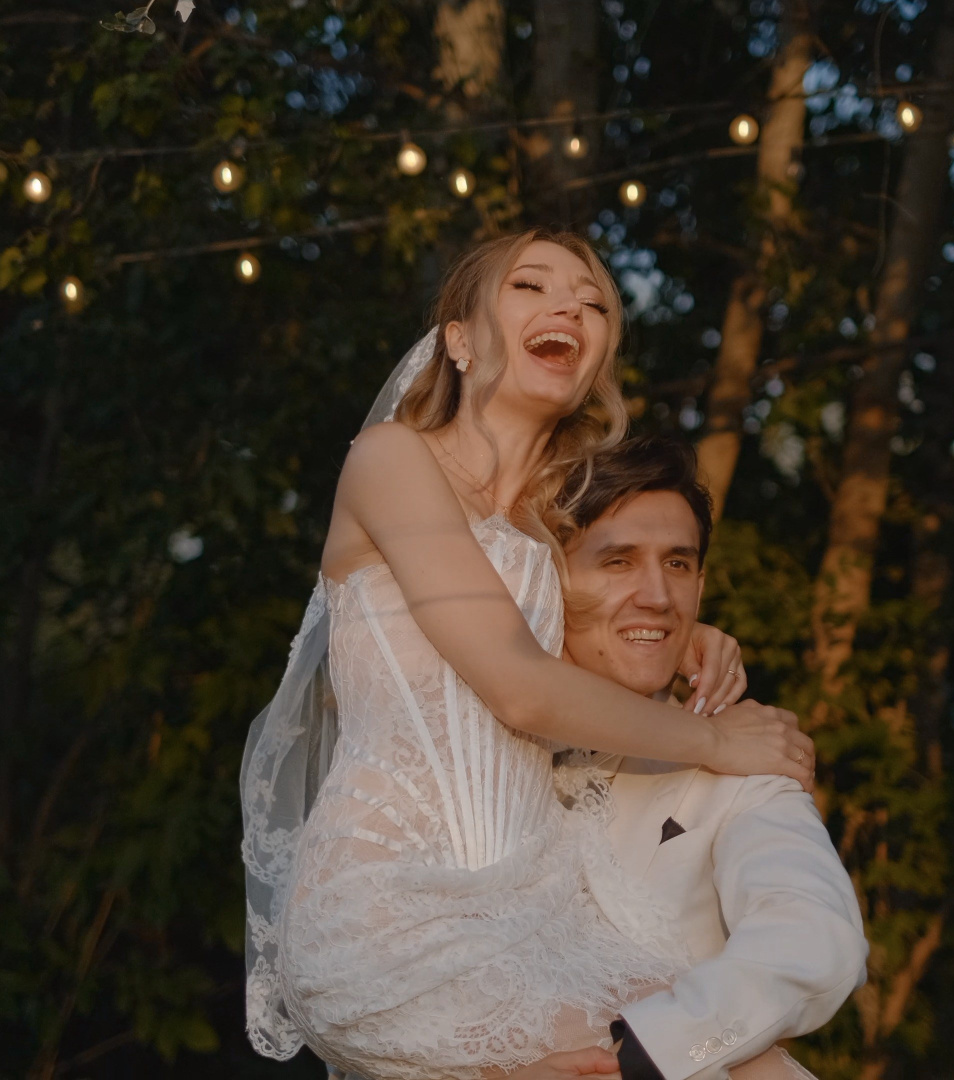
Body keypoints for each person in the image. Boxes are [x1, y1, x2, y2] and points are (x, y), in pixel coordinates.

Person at [240, 229, 816, 1080]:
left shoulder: (555, 519)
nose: (568, 309)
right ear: (460, 340)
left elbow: (588, 637)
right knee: (666, 1063)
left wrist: (682, 633)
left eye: (592, 303)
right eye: (532, 287)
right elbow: (519, 686)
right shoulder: (392, 460)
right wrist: (716, 741)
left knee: (753, 1057)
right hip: (391, 908)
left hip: (536, 910)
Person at [551, 436, 867, 1080]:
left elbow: (815, 941)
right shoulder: (469, 746)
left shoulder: (749, 767)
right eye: (617, 561)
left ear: (699, 584)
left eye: (677, 564)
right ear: (551, 577)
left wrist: (650, 1057)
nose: (657, 595)